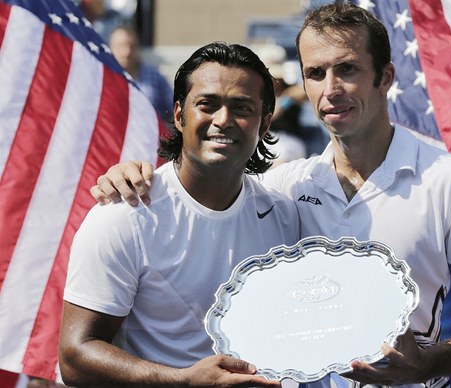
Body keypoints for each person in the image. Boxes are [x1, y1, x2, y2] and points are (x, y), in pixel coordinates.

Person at [89, 3, 451, 387]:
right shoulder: (286, 187)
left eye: (347, 69)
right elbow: (202, 190)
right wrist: (134, 175)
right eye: (315, 73)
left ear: (385, 76)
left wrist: (424, 364)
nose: (330, 88)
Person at [59, 42, 301, 387]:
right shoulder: (124, 213)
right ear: (178, 115)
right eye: (207, 104)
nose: (223, 120)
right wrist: (184, 381)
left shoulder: (286, 215)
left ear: (263, 124)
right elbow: (74, 358)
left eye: (242, 107)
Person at [109, 25, 173, 122]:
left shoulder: (154, 75)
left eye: (132, 46)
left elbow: (173, 109)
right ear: (111, 48)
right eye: (121, 46)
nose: (127, 52)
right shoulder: (104, 79)